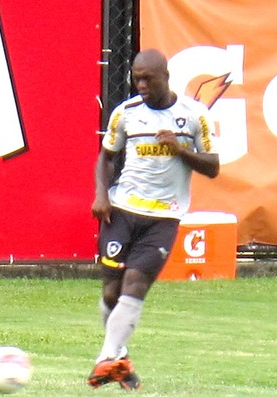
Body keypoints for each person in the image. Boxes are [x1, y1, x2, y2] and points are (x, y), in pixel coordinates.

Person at [87, 48, 219, 390]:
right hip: (123, 210)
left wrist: (181, 150)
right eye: (137, 78)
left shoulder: (194, 116)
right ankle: (120, 357)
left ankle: (105, 358)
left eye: (148, 78)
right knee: (111, 291)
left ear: (166, 77)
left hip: (164, 216)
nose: (141, 84)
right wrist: (102, 195)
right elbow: (106, 158)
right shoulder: (126, 113)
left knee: (135, 285)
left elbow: (213, 167)